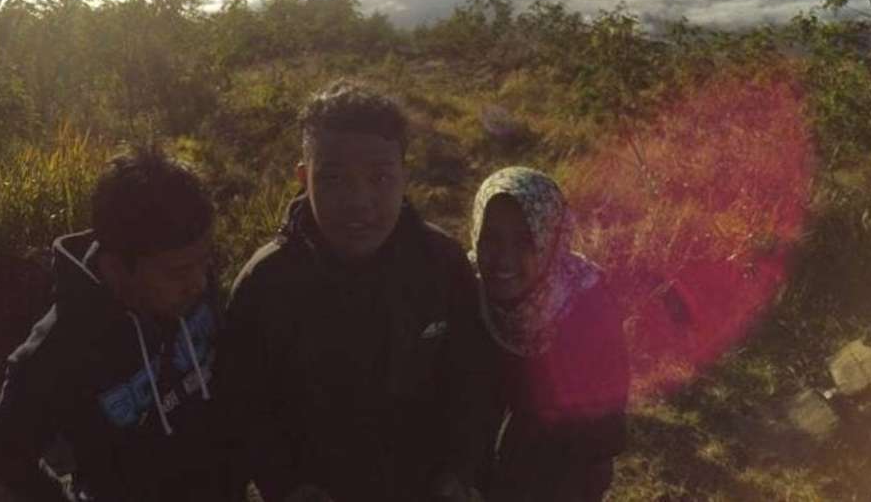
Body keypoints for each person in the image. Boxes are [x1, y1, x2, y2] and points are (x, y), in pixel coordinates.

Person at [217, 80, 494, 502]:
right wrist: (287, 484)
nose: (359, 201)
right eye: (333, 179)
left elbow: (471, 380)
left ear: (405, 173)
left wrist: (459, 471)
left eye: (381, 178)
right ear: (302, 177)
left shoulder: (441, 264)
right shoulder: (266, 285)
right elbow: (244, 406)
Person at [0, 148, 224, 501]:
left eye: (205, 261)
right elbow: (4, 452)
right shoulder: (60, 347)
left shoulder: (190, 282)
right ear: (117, 265)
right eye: (179, 271)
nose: (200, 283)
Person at [470, 167, 630, 502]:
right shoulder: (464, 289)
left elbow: (599, 434)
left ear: (551, 240)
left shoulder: (587, 306)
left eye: (525, 241)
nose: (504, 258)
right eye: (492, 237)